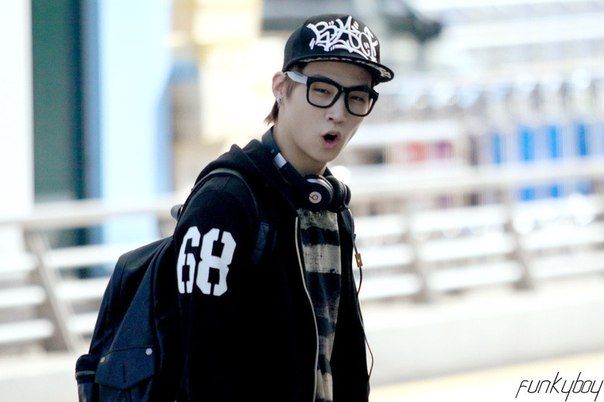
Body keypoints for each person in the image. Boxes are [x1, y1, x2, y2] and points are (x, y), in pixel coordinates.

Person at [174, 13, 394, 402]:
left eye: (357, 98)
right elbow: (200, 368)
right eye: (322, 91)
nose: (339, 112)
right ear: (281, 88)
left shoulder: (331, 207)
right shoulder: (224, 204)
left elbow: (341, 355)